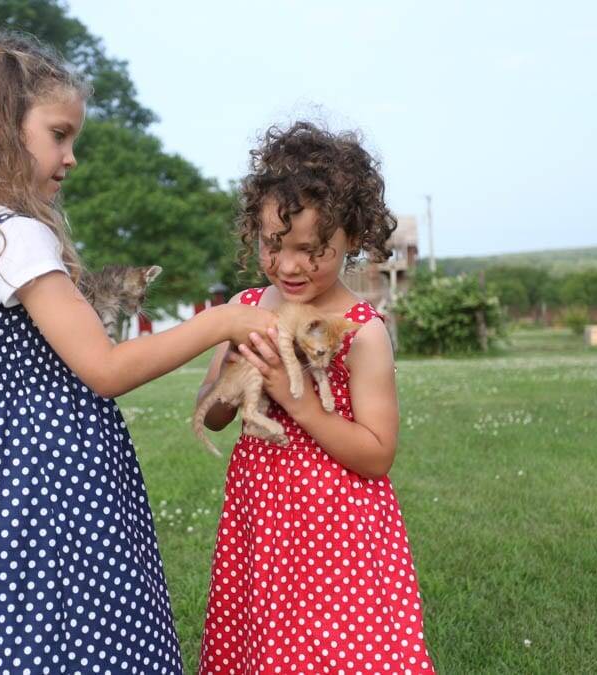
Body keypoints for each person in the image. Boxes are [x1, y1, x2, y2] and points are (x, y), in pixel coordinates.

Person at [0, 25, 274, 674]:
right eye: (58, 134)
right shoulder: (17, 239)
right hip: (65, 485)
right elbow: (105, 369)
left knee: (30, 642)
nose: (70, 157)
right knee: (100, 640)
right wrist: (222, 320)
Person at [197, 122, 435, 674]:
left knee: (338, 644)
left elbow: (377, 454)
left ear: (351, 238)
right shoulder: (245, 305)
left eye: (311, 250)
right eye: (272, 245)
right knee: (267, 640)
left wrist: (298, 403)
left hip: (339, 524)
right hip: (264, 513)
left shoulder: (361, 330)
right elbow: (211, 416)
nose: (288, 265)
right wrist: (233, 365)